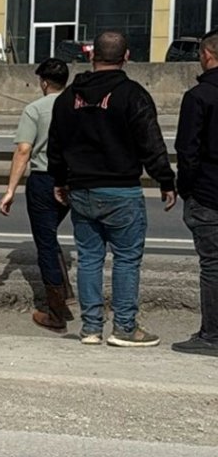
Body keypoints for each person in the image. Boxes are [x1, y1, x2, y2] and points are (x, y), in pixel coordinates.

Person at [47, 30, 176, 347]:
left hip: (80, 189)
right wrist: (166, 180)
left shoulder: (67, 98)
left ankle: (91, 328)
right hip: (121, 190)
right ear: (126, 57)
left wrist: (59, 180)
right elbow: (151, 142)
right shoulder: (133, 94)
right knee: (127, 259)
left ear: (91, 57)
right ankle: (124, 328)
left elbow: (56, 146)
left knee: (89, 258)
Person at [0, 58, 72, 330]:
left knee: (46, 243)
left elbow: (24, 151)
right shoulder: (78, 105)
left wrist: (10, 190)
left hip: (43, 180)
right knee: (55, 237)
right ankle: (68, 294)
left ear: (43, 82)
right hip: (74, 180)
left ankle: (55, 312)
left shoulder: (35, 110)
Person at [173, 30, 218, 356]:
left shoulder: (199, 96)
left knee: (213, 265)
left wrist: (185, 190)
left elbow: (187, 151)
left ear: (206, 55)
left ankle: (212, 334)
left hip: (209, 191)